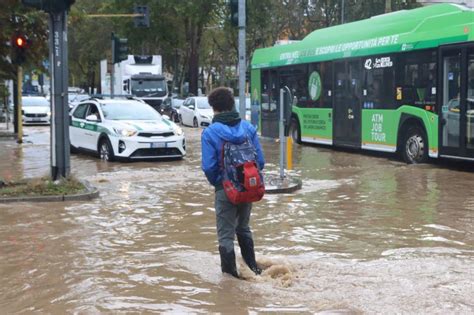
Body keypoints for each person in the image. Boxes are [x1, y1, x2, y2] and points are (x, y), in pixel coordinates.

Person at [201, 87, 265, 278]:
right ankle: (253, 270)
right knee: (243, 228)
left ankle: (230, 281)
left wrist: (220, 184)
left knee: (225, 236)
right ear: (232, 104)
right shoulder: (248, 128)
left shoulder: (210, 132)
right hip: (248, 187)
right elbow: (259, 161)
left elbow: (209, 167)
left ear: (215, 108)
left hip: (225, 190)